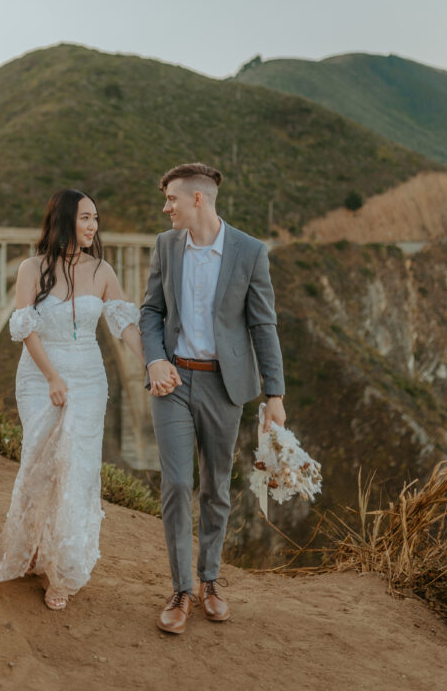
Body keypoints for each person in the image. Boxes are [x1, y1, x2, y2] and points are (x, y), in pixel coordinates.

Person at [0, 188, 159, 610]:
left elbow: (124, 324)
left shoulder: (102, 270)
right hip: (40, 376)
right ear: (64, 220)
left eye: (95, 219)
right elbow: (25, 327)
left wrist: (153, 361)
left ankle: (61, 570)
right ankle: (29, 549)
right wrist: (51, 377)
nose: (92, 226)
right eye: (85, 218)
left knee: (76, 469)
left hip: (88, 378)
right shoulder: (31, 268)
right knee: (40, 462)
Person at [140, 162, 287, 634]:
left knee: (216, 488)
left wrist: (276, 395)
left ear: (197, 199)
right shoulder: (166, 246)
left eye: (171, 200)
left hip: (226, 388)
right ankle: (181, 589)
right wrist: (154, 359)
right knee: (179, 483)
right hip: (173, 384)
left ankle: (210, 582)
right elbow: (151, 312)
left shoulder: (250, 252)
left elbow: (264, 325)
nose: (166, 209)